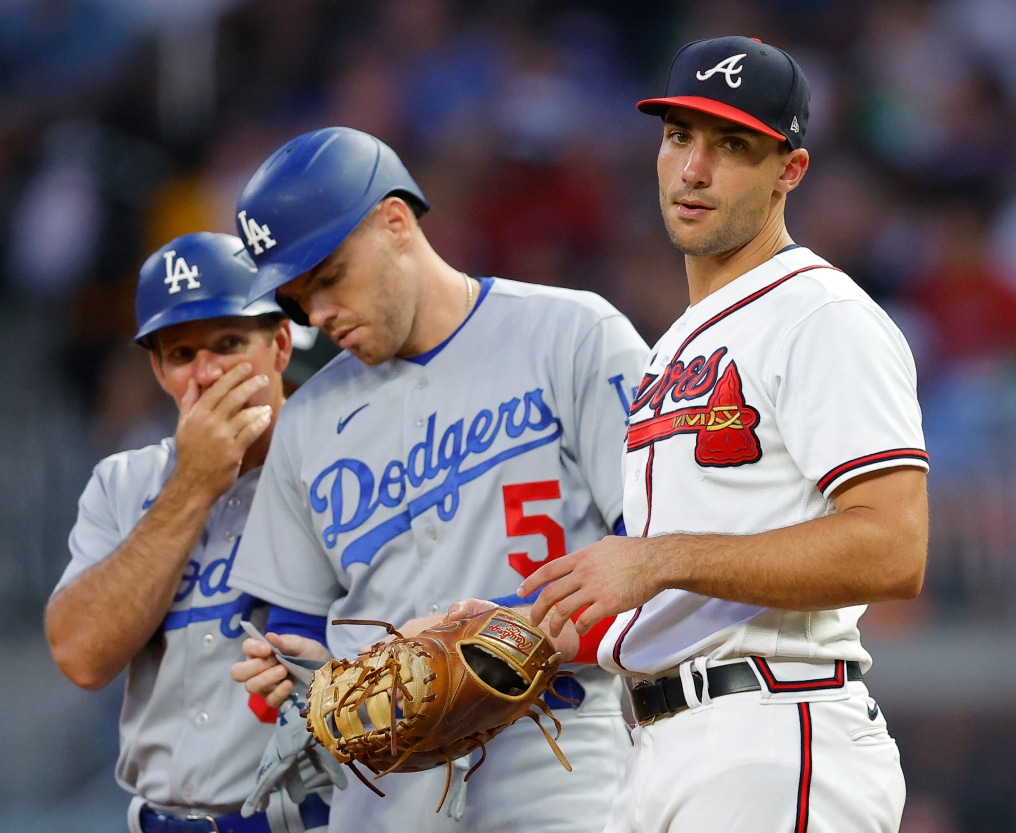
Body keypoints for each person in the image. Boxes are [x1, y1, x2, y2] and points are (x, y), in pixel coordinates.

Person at [500, 36, 929, 832]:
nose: (693, 169)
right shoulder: (674, 347)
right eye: (678, 137)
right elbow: (658, 598)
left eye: (731, 145)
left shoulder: (820, 314)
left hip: (774, 724)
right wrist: (489, 631)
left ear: (788, 172)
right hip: (661, 746)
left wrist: (659, 559)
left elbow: (894, 547)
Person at [226, 125, 649, 833]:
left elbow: (654, 552)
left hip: (557, 761)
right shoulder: (308, 419)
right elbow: (291, 622)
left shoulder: (571, 333)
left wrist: (485, 637)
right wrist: (288, 672)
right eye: (299, 300)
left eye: (329, 278)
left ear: (396, 222)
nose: (319, 314)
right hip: (383, 791)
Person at [45, 232, 331, 833]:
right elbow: (80, 656)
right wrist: (194, 485)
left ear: (281, 344)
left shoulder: (338, 472)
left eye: (228, 344)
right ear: (158, 370)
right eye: (180, 354)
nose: (205, 374)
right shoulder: (124, 483)